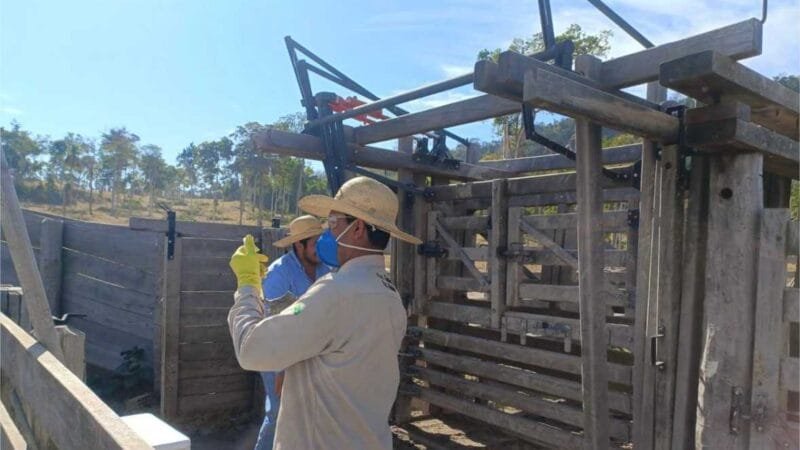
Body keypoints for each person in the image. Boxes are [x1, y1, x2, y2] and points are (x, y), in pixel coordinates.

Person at [228, 176, 421, 450]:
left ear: (358, 229)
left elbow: (251, 349)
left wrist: (247, 286)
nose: (326, 235)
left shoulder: (336, 292)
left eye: (332, 225)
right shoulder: (389, 296)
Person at [255, 215, 329, 450]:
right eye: (316, 242)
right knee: (279, 412)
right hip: (277, 354)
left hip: (307, 352)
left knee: (307, 414)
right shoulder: (279, 274)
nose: (321, 247)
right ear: (300, 245)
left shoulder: (325, 270)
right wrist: (281, 371)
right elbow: (272, 325)